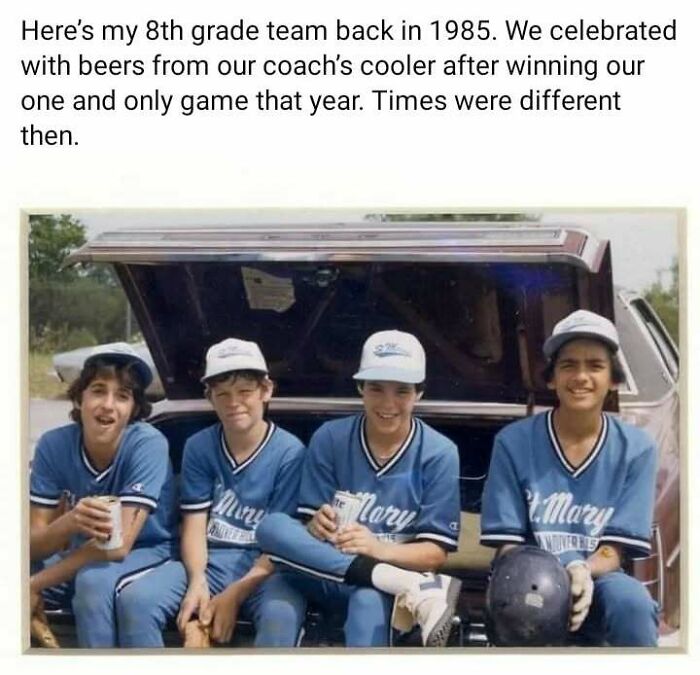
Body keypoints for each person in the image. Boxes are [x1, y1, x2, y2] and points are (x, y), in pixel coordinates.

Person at [254, 329, 462, 648]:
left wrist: (378, 548)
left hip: (379, 580)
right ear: (360, 388)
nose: (388, 403)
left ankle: (393, 580)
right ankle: (412, 587)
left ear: (419, 393)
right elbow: (303, 532)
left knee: (367, 605)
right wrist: (314, 524)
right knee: (271, 528)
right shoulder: (330, 437)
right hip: (325, 570)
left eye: (402, 391)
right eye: (376, 388)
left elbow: (434, 554)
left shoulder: (439, 452)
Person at [480, 309, 659, 646]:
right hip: (527, 581)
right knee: (523, 602)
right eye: (568, 365)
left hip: (600, 579)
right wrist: (563, 566)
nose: (581, 376)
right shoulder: (513, 441)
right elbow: (508, 546)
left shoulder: (637, 448)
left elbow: (614, 550)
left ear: (613, 379)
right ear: (551, 378)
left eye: (595, 366)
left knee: (632, 603)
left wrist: (582, 570)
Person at [115, 338, 305, 647]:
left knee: (280, 614)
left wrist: (232, 595)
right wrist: (197, 581)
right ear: (210, 397)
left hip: (266, 571)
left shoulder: (290, 452)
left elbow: (282, 546)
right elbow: (194, 524)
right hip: (209, 561)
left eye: (245, 391)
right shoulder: (199, 446)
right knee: (137, 600)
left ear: (266, 390)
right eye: (222, 394)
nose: (234, 402)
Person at [29, 343, 178, 648]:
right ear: (79, 396)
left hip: (150, 550)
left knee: (92, 582)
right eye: (98, 390)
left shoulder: (148, 444)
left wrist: (33, 584)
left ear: (135, 409)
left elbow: (118, 546)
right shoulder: (52, 445)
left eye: (122, 396)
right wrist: (70, 522)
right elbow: (34, 545)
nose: (108, 405)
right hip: (80, 553)